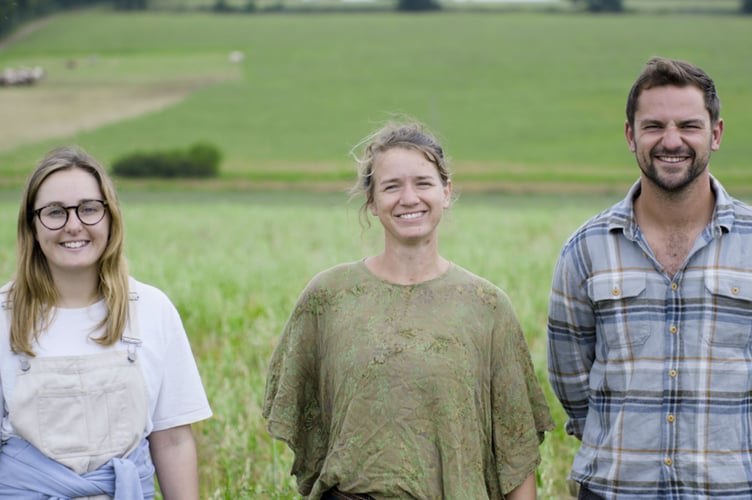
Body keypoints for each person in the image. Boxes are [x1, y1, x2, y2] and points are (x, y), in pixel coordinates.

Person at [263, 120, 554, 500]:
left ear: (446, 192)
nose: (409, 198)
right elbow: (307, 428)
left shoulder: (487, 305)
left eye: (423, 183)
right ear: (372, 200)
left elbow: (515, 454)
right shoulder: (328, 297)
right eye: (391, 186)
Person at [546, 56, 752, 499]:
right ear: (630, 135)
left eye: (689, 126)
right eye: (654, 125)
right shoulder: (585, 249)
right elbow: (570, 378)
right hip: (616, 489)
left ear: (715, 134)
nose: (671, 140)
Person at [0, 146, 213, 499]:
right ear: (32, 226)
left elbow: (173, 440)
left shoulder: (151, 310)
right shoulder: (3, 316)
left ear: (111, 218)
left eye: (88, 209)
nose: (73, 225)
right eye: (54, 212)